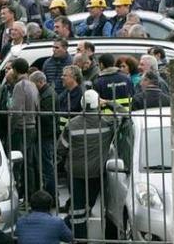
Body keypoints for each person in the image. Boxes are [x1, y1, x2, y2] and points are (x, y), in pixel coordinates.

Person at [58, 90, 118, 240]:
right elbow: (125, 114)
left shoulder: (72, 124)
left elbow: (61, 148)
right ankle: (71, 226)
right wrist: (109, 102)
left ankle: (79, 238)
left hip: (76, 173)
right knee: (87, 205)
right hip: (96, 173)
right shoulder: (106, 122)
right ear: (98, 104)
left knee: (78, 209)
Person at [9, 58, 40, 198]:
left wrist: (12, 127)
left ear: (15, 70)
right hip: (32, 126)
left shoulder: (19, 86)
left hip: (22, 128)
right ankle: (30, 193)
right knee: (29, 163)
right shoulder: (32, 85)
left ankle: (23, 194)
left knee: (20, 163)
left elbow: (16, 110)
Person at [31, 71, 58, 198]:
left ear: (41, 82)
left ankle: (52, 196)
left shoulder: (48, 95)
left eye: (33, 84)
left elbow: (46, 117)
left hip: (46, 136)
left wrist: (35, 109)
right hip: (43, 135)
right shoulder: (45, 94)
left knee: (47, 168)